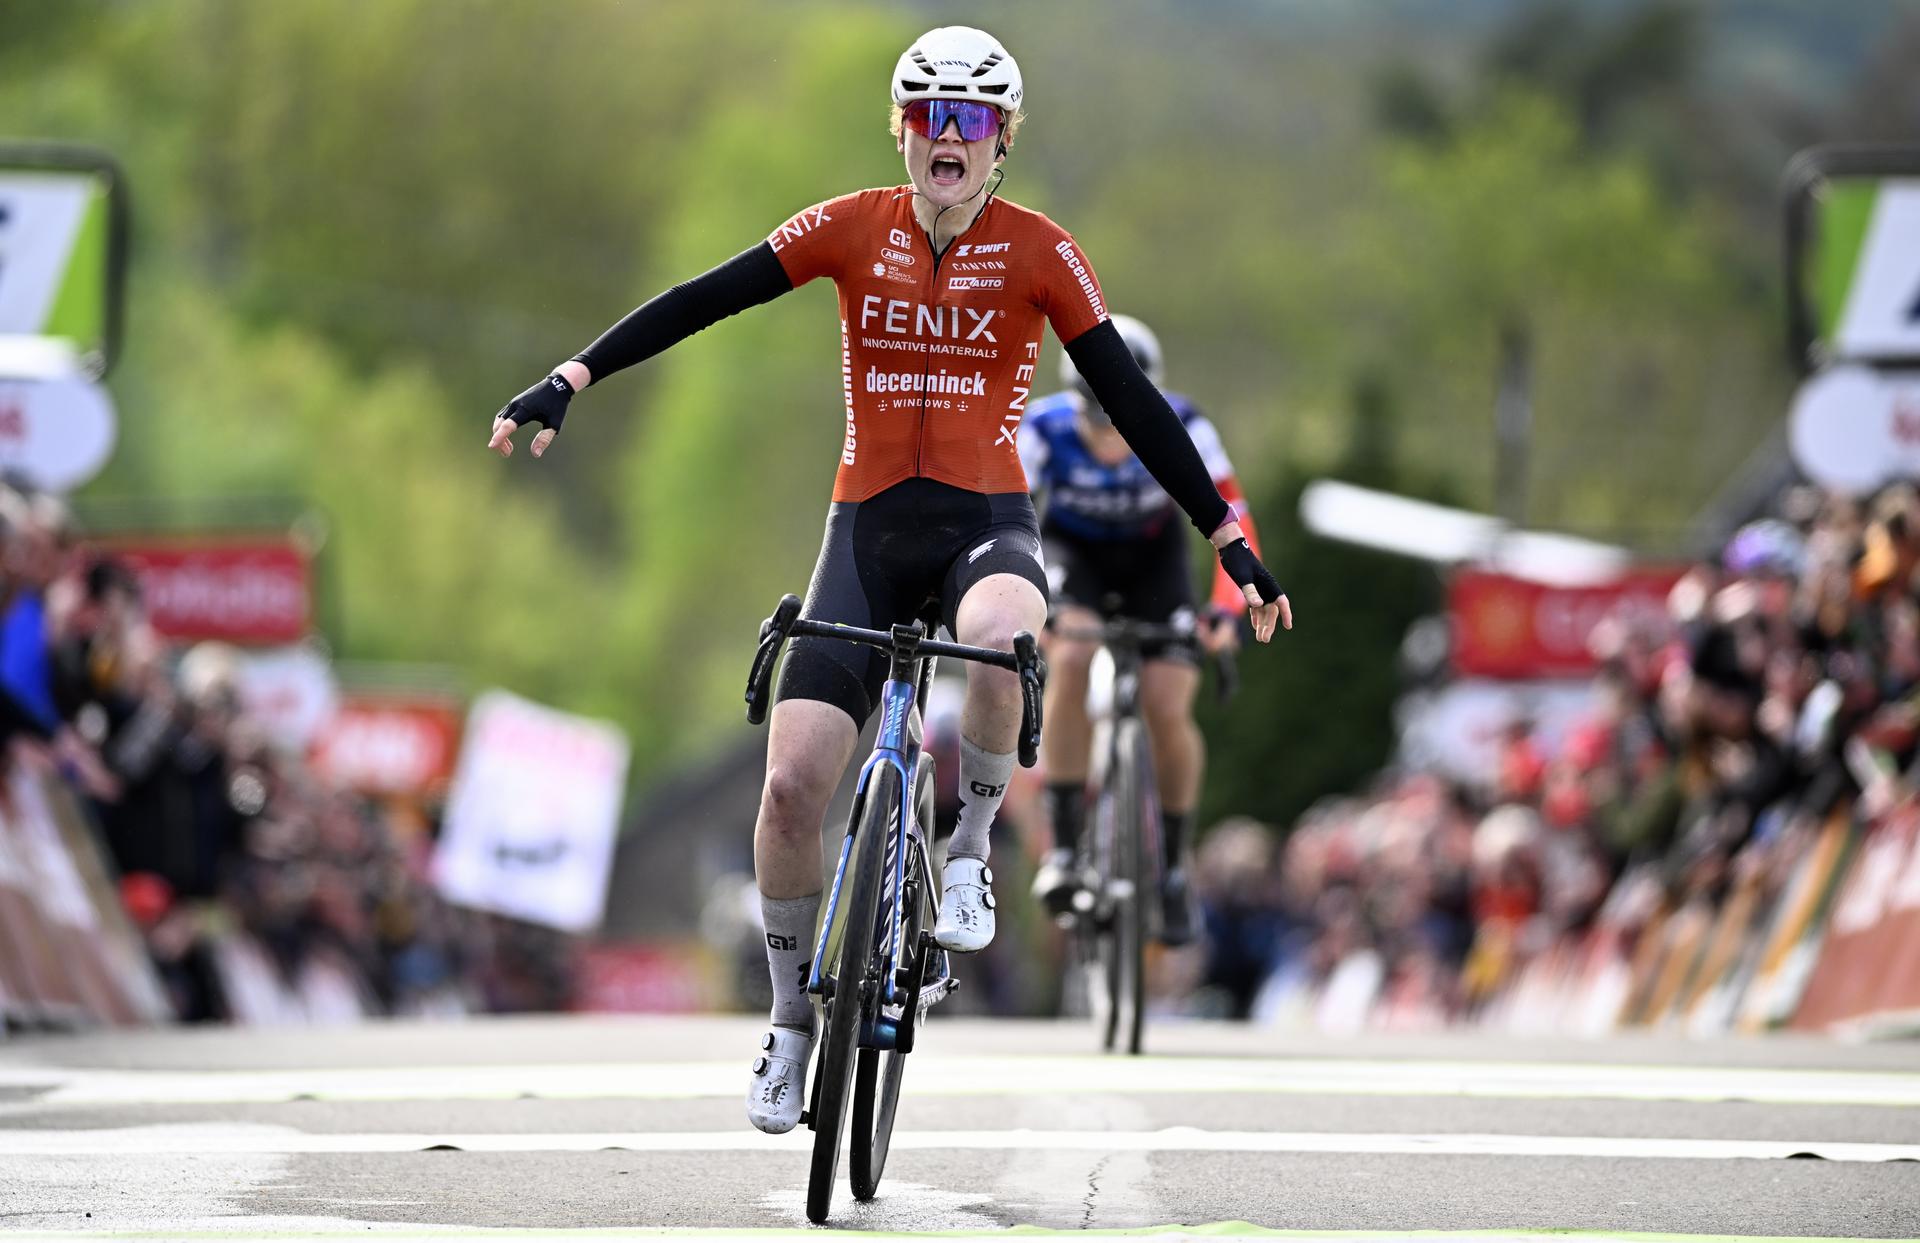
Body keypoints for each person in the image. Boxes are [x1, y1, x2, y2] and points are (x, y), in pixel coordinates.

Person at [486, 26, 1289, 1135]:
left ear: (1002, 140)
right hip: (863, 530)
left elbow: (1138, 408)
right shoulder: (851, 226)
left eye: (970, 121)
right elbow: (705, 295)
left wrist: (1227, 539)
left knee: (1015, 631)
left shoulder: (1044, 252)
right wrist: (573, 374)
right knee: (788, 788)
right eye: (928, 116)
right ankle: (788, 1021)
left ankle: (968, 855)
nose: (946, 137)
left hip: (983, 523)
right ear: (903, 133)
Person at [1017, 315, 1258, 945]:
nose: (1112, 441)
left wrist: (1226, 612)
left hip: (1158, 562)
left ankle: (1175, 866)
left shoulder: (1187, 425)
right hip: (1077, 558)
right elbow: (1009, 521)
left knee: (1166, 703)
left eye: (1124, 424)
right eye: (1099, 424)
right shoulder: (1040, 429)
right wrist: (1029, 607)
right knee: (1069, 662)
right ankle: (1066, 849)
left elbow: (1234, 518)